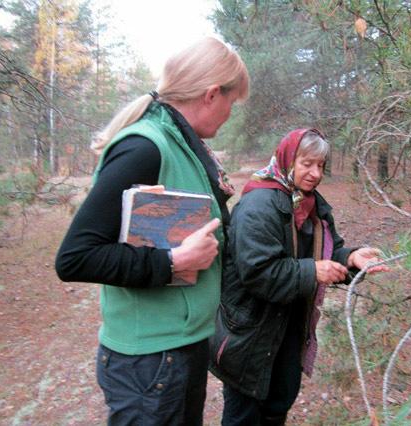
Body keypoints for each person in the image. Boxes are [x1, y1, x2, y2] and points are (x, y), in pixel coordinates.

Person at [55, 37, 249, 425]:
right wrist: (173, 261)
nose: (230, 113)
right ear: (212, 94)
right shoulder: (148, 147)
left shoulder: (184, 146)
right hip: (150, 361)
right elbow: (76, 257)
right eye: (232, 102)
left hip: (181, 347)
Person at [209, 128, 387, 425]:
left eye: (321, 165)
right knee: (244, 415)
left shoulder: (311, 204)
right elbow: (258, 273)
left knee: (277, 408)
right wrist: (312, 270)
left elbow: (328, 251)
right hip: (250, 333)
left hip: (288, 329)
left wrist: (351, 258)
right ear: (289, 159)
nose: (315, 173)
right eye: (307, 164)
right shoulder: (258, 205)